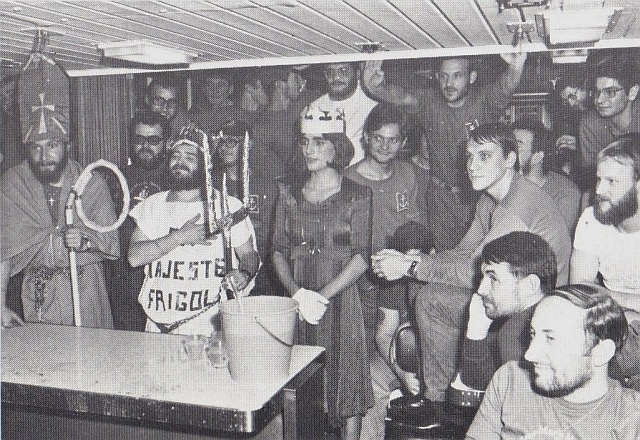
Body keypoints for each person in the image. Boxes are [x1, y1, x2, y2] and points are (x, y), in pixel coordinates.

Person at [372, 123, 572, 415]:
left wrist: (410, 266)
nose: (472, 166)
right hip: (508, 294)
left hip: (534, 309)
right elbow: (466, 253)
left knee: (430, 299)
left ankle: (444, 401)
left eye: (484, 156)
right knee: (428, 292)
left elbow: (476, 274)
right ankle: (443, 395)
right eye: (469, 156)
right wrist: (414, 259)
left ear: (510, 160)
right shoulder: (490, 198)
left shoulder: (515, 206)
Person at [272, 107, 373, 439]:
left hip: (341, 303)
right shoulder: (287, 193)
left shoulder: (358, 194)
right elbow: (277, 250)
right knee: (301, 387)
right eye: (305, 142)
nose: (309, 150)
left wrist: (322, 297)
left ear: (337, 147)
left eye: (319, 142)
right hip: (299, 302)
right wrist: (298, 294)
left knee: (347, 383)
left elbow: (361, 257)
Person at [363, 53, 527, 251]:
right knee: (445, 257)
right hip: (441, 198)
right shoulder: (429, 102)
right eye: (444, 76)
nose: (449, 83)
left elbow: (506, 86)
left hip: (478, 196)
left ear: (471, 77)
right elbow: (402, 97)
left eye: (457, 76)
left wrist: (517, 65)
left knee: (478, 257)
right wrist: (375, 87)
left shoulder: (483, 100)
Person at [1, 64, 119, 328]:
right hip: (38, 294)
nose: (44, 157)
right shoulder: (13, 185)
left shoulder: (91, 182)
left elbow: (111, 241)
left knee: (91, 361)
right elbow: (3, 252)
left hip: (85, 290)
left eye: (52, 146)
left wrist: (86, 241)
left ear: (67, 144)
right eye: (36, 147)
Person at [342, 104, 426, 440]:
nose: (384, 146)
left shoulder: (407, 174)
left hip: (404, 278)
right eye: (378, 138)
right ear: (365, 137)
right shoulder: (348, 180)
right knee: (365, 374)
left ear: (402, 142)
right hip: (363, 286)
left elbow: (417, 221)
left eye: (393, 140)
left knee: (404, 346)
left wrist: (417, 253)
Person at [127, 126, 260, 335]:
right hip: (157, 324)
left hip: (209, 324)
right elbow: (134, 257)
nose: (180, 162)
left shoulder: (228, 206)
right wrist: (179, 237)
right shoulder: (152, 205)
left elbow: (250, 255)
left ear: (206, 163)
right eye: (175, 156)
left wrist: (244, 273)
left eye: (189, 157)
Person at [466, 284, 640, 439]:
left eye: (550, 338)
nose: (529, 355)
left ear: (601, 352)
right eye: (533, 334)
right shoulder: (511, 380)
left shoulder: (631, 417)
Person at [570, 133, 640, 389]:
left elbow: (594, 293)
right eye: (599, 179)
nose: (599, 190)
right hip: (613, 323)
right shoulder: (592, 219)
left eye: (611, 182)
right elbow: (579, 292)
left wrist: (611, 297)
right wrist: (630, 312)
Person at [112, 110, 170, 331]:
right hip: (124, 279)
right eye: (139, 139)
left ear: (166, 143)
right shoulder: (115, 178)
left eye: (154, 140)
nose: (145, 146)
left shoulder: (177, 178)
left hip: (163, 278)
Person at [212, 120, 280, 296]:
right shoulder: (210, 183)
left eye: (231, 142)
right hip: (217, 266)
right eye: (220, 142)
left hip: (259, 268)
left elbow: (270, 233)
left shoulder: (265, 185)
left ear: (248, 144)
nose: (223, 148)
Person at [579, 54, 639, 186]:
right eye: (597, 92)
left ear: (633, 92)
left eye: (610, 92)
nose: (599, 100)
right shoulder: (590, 124)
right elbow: (594, 178)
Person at [512, 118, 582, 232]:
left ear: (537, 157)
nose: (508, 153)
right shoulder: (498, 186)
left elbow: (547, 242)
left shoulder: (566, 194)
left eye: (518, 147)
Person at [306, 62, 378, 165]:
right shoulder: (316, 107)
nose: (336, 77)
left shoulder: (373, 102)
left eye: (343, 71)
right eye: (330, 72)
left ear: (357, 74)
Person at [145, 74, 190, 139]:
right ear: (147, 100)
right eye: (158, 100)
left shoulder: (185, 132)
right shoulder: (137, 129)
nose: (165, 109)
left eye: (171, 102)